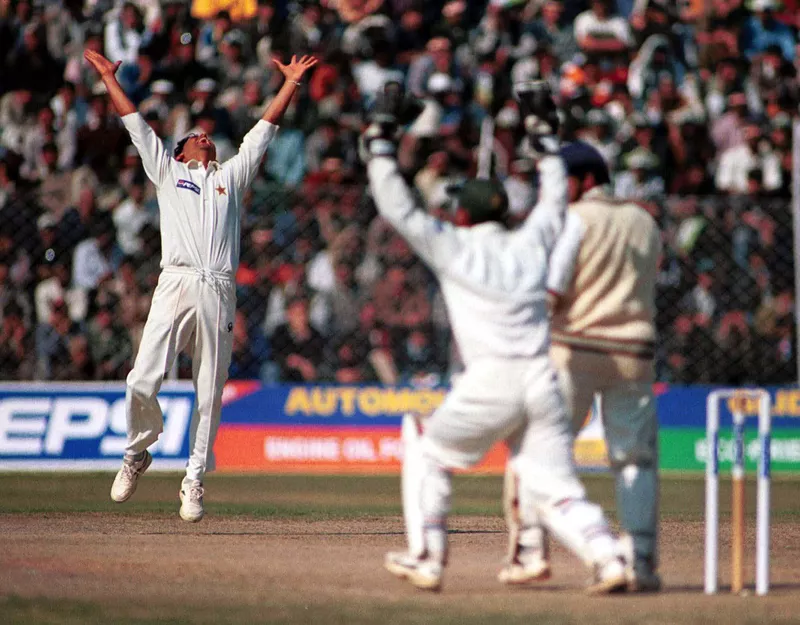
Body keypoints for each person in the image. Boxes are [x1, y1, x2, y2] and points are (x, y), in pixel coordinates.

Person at [361, 81, 627, 593]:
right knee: (553, 486)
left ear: (463, 214)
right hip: (542, 380)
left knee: (425, 446)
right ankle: (609, 557)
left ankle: (427, 557)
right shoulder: (530, 242)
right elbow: (554, 199)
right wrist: (545, 140)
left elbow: (397, 206)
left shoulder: (453, 246)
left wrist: (380, 143)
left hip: (492, 378)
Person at [83, 48, 318, 522]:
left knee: (209, 390)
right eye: (194, 135)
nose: (204, 135)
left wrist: (290, 84)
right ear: (179, 152)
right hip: (176, 282)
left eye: (207, 134)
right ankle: (137, 451)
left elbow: (261, 136)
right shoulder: (168, 173)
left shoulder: (230, 175)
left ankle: (194, 479)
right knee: (142, 377)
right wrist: (110, 79)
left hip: (218, 288)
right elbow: (136, 125)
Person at [499, 142, 662, 592]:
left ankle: (530, 552)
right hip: (635, 353)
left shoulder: (575, 220)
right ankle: (642, 560)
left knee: (536, 451)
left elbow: (552, 292)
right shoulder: (645, 221)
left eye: (563, 180)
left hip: (574, 350)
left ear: (587, 179)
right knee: (635, 459)